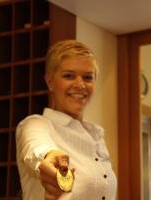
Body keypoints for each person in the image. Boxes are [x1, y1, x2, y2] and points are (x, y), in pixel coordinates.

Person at [16, 40, 117, 200]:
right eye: (69, 76)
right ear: (50, 82)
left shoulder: (96, 134)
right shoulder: (36, 124)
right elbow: (36, 147)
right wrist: (50, 157)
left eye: (87, 77)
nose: (80, 84)